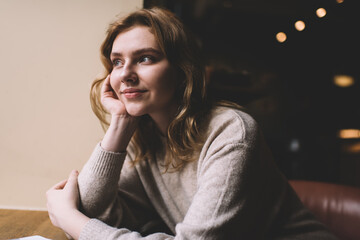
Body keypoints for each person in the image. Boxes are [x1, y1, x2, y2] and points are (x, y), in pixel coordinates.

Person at [46, 7, 338, 240]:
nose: (125, 75)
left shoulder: (230, 132)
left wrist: (71, 219)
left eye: (145, 59)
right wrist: (120, 124)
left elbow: (79, 222)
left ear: (182, 71)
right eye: (117, 62)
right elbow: (93, 212)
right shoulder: (144, 136)